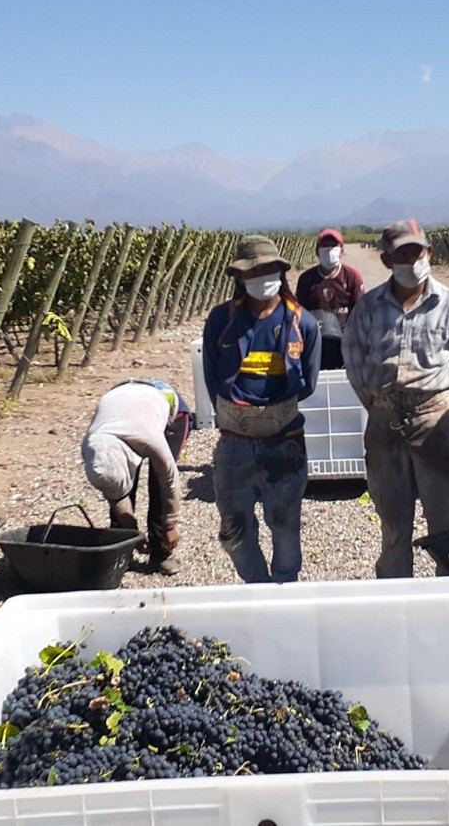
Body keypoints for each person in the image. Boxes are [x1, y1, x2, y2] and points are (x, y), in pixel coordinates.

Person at [344, 218, 449, 578]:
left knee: (446, 525)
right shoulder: (368, 308)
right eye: (401, 254)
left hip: (436, 420)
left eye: (416, 252)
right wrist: (379, 406)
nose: (411, 260)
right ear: (387, 261)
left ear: (428, 253)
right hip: (384, 426)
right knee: (392, 528)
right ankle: (396, 599)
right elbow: (355, 365)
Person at [201, 235, 321, 583]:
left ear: (281, 274)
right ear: (239, 277)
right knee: (233, 532)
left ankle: (285, 585)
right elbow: (212, 376)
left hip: (285, 441)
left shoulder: (303, 324)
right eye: (254, 271)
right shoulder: (221, 321)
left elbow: (308, 384)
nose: (263, 277)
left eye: (270, 270)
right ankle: (257, 586)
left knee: (284, 524)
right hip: (234, 444)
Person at [82, 379, 192, 576]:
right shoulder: (92, 444)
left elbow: (169, 484)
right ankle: (122, 549)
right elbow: (116, 494)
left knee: (158, 485)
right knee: (119, 484)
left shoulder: (150, 440)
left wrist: (170, 525)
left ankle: (161, 553)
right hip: (123, 399)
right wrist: (135, 535)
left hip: (168, 410)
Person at [294, 228, 364, 369]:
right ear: (317, 251)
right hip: (316, 338)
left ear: (341, 250)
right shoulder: (307, 279)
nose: (329, 250)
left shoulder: (351, 276)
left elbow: (360, 312)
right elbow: (300, 314)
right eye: (325, 246)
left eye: (334, 246)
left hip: (345, 338)